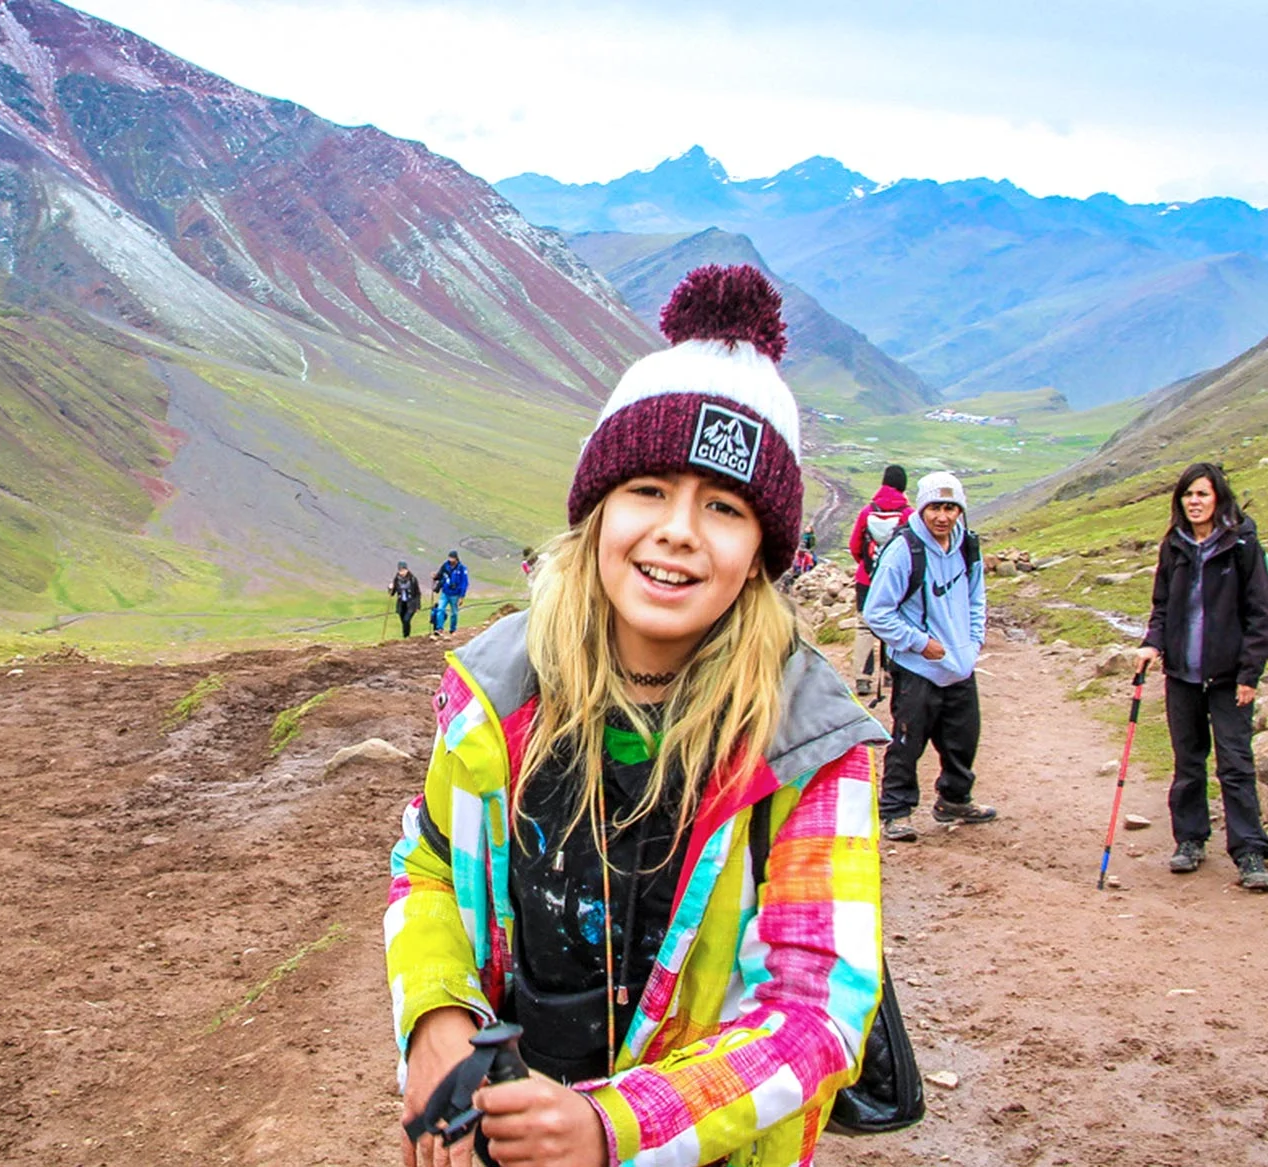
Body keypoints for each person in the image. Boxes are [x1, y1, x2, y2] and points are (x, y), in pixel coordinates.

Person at [385, 265, 887, 1167]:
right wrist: (435, 1012)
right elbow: (428, 863)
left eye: (723, 506)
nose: (678, 530)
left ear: (761, 553)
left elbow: (818, 1012)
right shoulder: (498, 693)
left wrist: (616, 1127)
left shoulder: (806, 740)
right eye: (649, 488)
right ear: (599, 508)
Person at [1136, 462, 1268, 892]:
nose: (1194, 502)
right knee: (1188, 761)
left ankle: (1249, 850)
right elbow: (1162, 606)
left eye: (1202, 494)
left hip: (1229, 676)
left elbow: (1262, 614)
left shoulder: (1242, 544)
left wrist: (1249, 673)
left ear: (1218, 498)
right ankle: (1190, 839)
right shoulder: (1174, 545)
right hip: (1182, 672)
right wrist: (1151, 644)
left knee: (1235, 763)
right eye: (1188, 495)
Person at [861, 471, 992, 842]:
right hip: (917, 667)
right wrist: (920, 643)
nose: (943, 516)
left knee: (963, 738)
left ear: (960, 510)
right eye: (935, 507)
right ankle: (896, 811)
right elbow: (876, 612)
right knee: (908, 741)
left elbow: (976, 598)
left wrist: (973, 642)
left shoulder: (967, 546)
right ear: (921, 508)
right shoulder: (904, 551)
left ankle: (954, 799)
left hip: (959, 665)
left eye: (951, 508)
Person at [847, 466, 911, 697]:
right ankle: (890, 673)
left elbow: (855, 545)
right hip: (895, 581)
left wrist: (867, 566)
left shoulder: (867, 512)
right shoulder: (908, 515)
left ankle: (862, 678)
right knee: (894, 622)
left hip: (866, 579)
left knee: (864, 626)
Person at [431, 550, 469, 636]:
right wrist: (435, 577)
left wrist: (461, 596)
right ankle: (439, 628)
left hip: (455, 594)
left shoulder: (462, 568)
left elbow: (464, 583)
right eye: (449, 558)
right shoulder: (445, 565)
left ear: (456, 558)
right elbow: (440, 575)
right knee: (440, 609)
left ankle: (453, 629)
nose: (450, 560)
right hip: (445, 592)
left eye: (452, 558)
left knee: (454, 612)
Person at [389, 561, 423, 638]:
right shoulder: (396, 579)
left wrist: (418, 606)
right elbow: (392, 593)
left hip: (411, 603)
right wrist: (390, 588)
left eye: (403, 570)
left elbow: (417, 593)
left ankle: (406, 636)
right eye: (400, 570)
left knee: (406, 620)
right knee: (403, 621)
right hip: (401, 603)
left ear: (407, 570)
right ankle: (406, 636)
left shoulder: (413, 579)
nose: (402, 572)